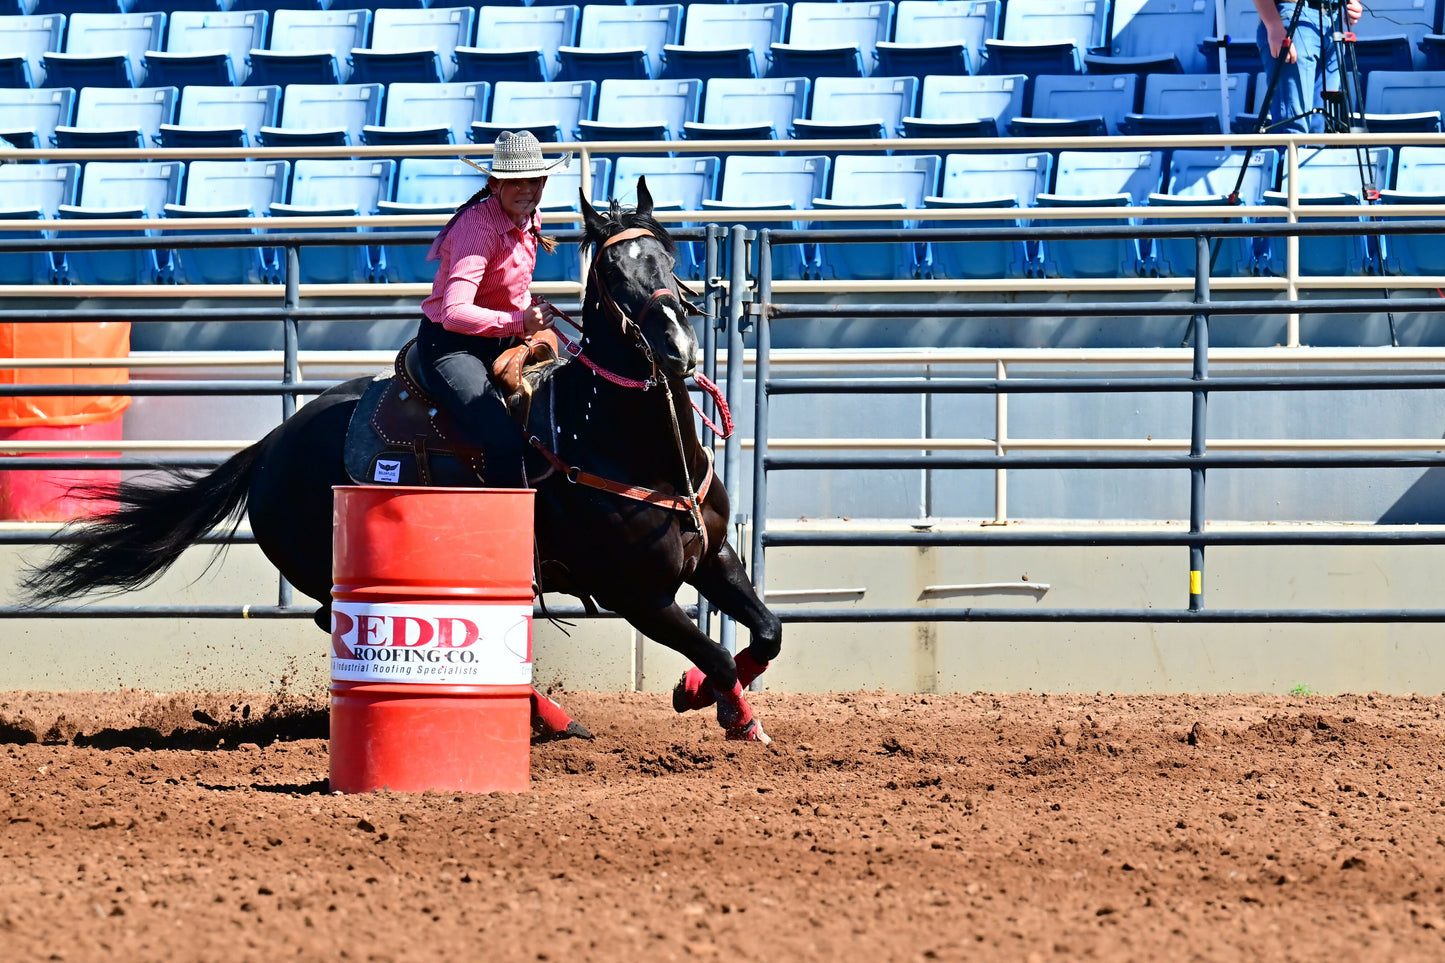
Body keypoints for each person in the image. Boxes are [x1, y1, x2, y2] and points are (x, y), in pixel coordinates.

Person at [416, 130, 571, 487]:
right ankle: (503, 537)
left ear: (543, 181)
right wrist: (519, 319)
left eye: (532, 180)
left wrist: (526, 311)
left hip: (501, 339)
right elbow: (455, 313)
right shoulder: (478, 228)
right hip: (452, 347)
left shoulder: (531, 217)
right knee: (502, 439)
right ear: (494, 183)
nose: (526, 189)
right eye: (515, 181)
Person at [1254, 0, 1364, 134]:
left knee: (1323, 127)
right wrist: (1274, 25)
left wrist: (1353, 3)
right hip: (1293, 14)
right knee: (1293, 125)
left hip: (1333, 20)